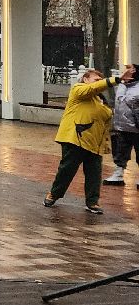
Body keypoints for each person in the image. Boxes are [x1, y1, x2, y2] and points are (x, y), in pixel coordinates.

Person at [46, 65, 136, 214]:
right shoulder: (78, 90)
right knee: (67, 170)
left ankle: (92, 202)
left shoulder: (100, 99)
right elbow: (91, 89)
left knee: (94, 173)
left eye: (100, 79)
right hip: (75, 139)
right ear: (85, 79)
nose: (98, 82)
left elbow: (106, 119)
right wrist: (117, 79)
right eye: (95, 79)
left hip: (95, 144)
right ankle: (54, 194)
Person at [104, 67, 139, 185]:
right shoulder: (122, 86)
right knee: (120, 152)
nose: (126, 71)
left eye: (131, 70)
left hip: (136, 127)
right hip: (122, 127)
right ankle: (118, 174)